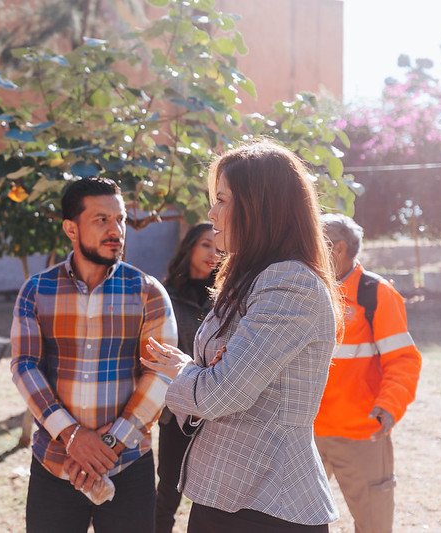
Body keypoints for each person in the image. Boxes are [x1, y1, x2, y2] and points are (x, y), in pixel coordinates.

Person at [144, 140, 342, 532]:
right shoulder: (249, 279)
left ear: (259, 207)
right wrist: (202, 376)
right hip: (229, 498)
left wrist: (185, 370)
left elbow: (221, 394)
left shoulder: (289, 283)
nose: (211, 212)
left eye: (222, 200)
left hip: (268, 504)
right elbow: (214, 387)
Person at [10, 176, 178, 533]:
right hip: (55, 464)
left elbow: (162, 373)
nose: (115, 229)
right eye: (101, 220)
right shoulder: (36, 291)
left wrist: (110, 443)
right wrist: (71, 435)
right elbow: (25, 366)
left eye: (119, 219)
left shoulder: (148, 293)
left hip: (129, 464)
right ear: (71, 228)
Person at [314, 214, 421, 533]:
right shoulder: (307, 290)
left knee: (374, 524)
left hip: (361, 432)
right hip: (306, 433)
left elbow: (403, 360)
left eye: (317, 241)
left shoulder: (376, 294)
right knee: (292, 523)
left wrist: (389, 407)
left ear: (339, 249)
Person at [154, 222, 218, 533]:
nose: (214, 253)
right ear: (190, 246)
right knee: (167, 492)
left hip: (218, 410)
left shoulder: (228, 297)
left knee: (215, 499)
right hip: (175, 411)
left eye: (219, 248)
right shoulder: (165, 296)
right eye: (207, 244)